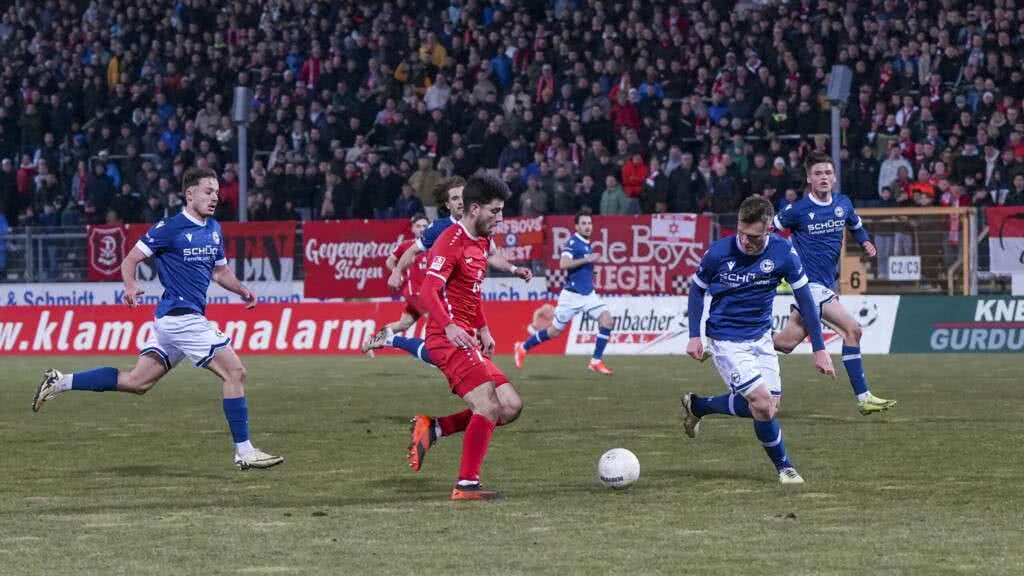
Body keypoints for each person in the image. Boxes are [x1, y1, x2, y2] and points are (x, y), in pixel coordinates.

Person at [31, 167, 283, 471]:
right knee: (235, 373)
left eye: (217, 192)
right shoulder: (169, 228)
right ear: (189, 194)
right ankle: (244, 451)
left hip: (173, 321)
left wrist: (241, 289)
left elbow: (219, 271)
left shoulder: (214, 228)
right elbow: (130, 259)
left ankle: (61, 381)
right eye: (208, 191)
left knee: (137, 382)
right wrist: (130, 285)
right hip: (181, 318)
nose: (214, 197)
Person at [680, 195, 836, 484]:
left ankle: (698, 406)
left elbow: (806, 301)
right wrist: (694, 335)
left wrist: (820, 349)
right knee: (762, 404)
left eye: (753, 236)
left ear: (769, 230)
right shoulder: (719, 252)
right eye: (741, 232)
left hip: (761, 338)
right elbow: (696, 290)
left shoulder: (784, 254)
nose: (745, 241)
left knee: (768, 407)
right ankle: (785, 467)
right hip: (726, 339)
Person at [406, 174, 524, 500]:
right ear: (474, 209)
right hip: (447, 339)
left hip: (468, 336)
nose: (500, 219)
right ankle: (466, 485)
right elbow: (428, 291)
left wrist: (483, 327)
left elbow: (470, 293)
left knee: (511, 405)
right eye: (495, 212)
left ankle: (434, 428)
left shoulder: (482, 241)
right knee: (488, 403)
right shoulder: (450, 241)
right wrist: (449, 326)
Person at [772, 152, 897, 415]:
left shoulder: (843, 203)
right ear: (809, 179)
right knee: (853, 330)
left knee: (785, 343)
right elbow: (769, 231)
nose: (824, 177)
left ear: (835, 177)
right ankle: (864, 397)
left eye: (828, 173)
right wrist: (781, 260)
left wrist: (864, 241)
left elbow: (855, 224)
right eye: (818, 173)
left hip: (827, 284)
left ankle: (732, 338)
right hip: (809, 285)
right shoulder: (797, 211)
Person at [375, 176, 533, 359]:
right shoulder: (439, 228)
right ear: (447, 205)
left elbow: (492, 256)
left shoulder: (481, 226)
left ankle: (384, 338)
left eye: (462, 196)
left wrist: (514, 269)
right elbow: (411, 250)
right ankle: (388, 339)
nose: (460, 202)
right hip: (438, 295)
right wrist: (396, 271)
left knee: (417, 335)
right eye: (455, 198)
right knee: (440, 351)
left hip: (464, 298)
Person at [513, 209, 615, 375]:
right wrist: (587, 260)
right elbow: (563, 263)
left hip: (588, 294)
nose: (588, 226)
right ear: (576, 226)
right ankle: (522, 347)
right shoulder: (573, 243)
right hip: (572, 296)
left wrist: (590, 273)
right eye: (583, 223)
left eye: (589, 223)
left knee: (607, 321)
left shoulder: (586, 243)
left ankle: (595, 361)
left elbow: (581, 267)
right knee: (554, 332)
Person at [359, 213, 434, 365]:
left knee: (403, 324)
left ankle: (373, 341)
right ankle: (434, 353)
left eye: (425, 226)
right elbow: (389, 261)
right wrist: (397, 273)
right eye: (418, 226)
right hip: (415, 293)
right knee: (435, 318)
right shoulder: (407, 246)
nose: (421, 229)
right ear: (412, 228)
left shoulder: (434, 244)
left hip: (427, 293)